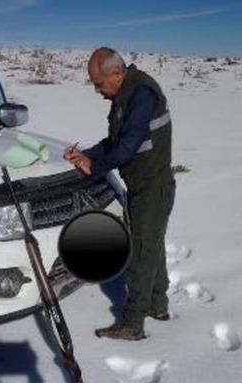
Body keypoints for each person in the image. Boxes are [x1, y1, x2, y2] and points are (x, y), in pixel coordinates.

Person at [64, 47, 176, 341]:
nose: (97, 91)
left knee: (139, 253)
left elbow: (126, 149)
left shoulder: (141, 96)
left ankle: (132, 323)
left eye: (99, 84)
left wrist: (94, 167)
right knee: (152, 245)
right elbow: (115, 140)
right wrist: (85, 154)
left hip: (153, 187)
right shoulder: (126, 94)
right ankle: (158, 305)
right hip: (146, 185)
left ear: (116, 74)